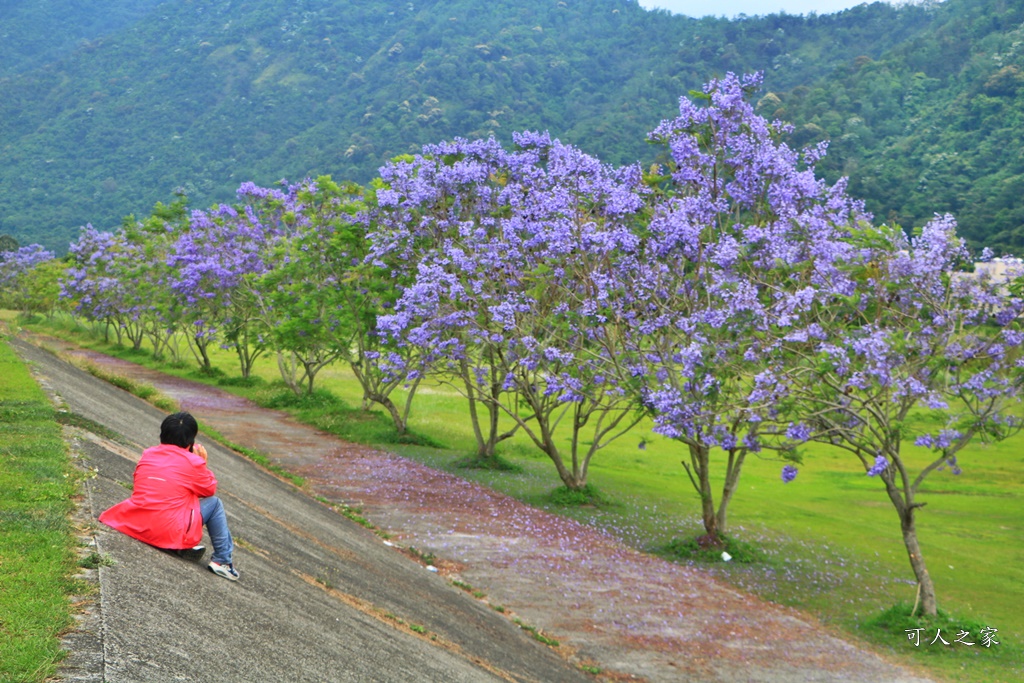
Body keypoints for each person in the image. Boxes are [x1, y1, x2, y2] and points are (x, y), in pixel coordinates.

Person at [99, 412, 239, 581]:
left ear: (162, 433)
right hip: (168, 529)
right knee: (215, 504)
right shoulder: (194, 463)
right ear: (190, 440)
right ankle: (222, 560)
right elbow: (208, 490)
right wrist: (204, 465)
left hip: (135, 522)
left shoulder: (149, 453)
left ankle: (177, 545)